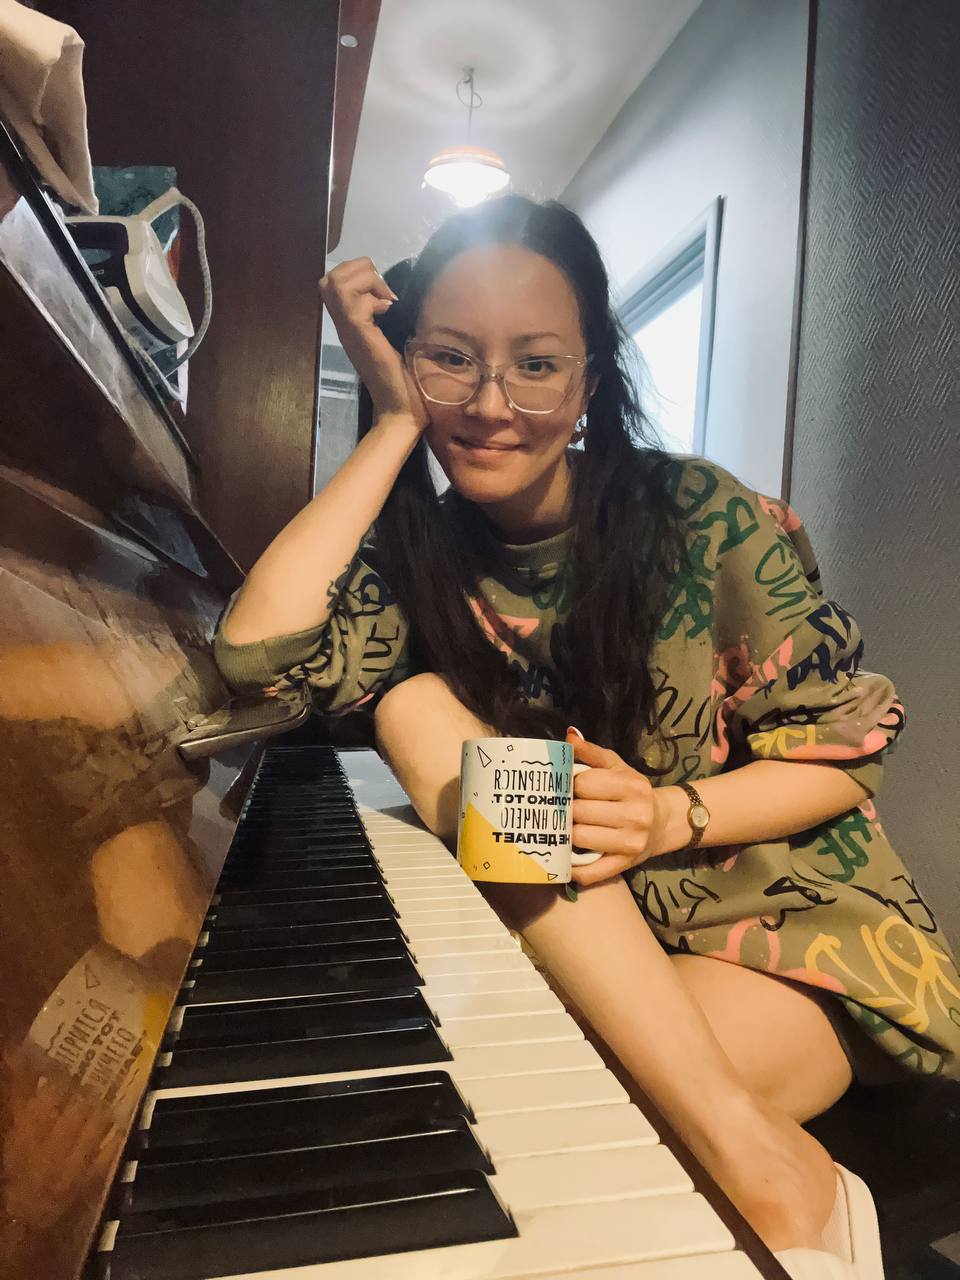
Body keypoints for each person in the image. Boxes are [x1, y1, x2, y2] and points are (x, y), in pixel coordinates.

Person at [213, 194, 960, 1277]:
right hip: (598, 931)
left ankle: (776, 1173)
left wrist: (666, 814)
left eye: (536, 365)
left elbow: (847, 750)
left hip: (781, 927)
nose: (491, 404)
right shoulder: (422, 554)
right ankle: (775, 1172)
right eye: (450, 359)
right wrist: (392, 426)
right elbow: (255, 659)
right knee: (412, 706)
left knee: (530, 1116)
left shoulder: (700, 514)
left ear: (589, 382)